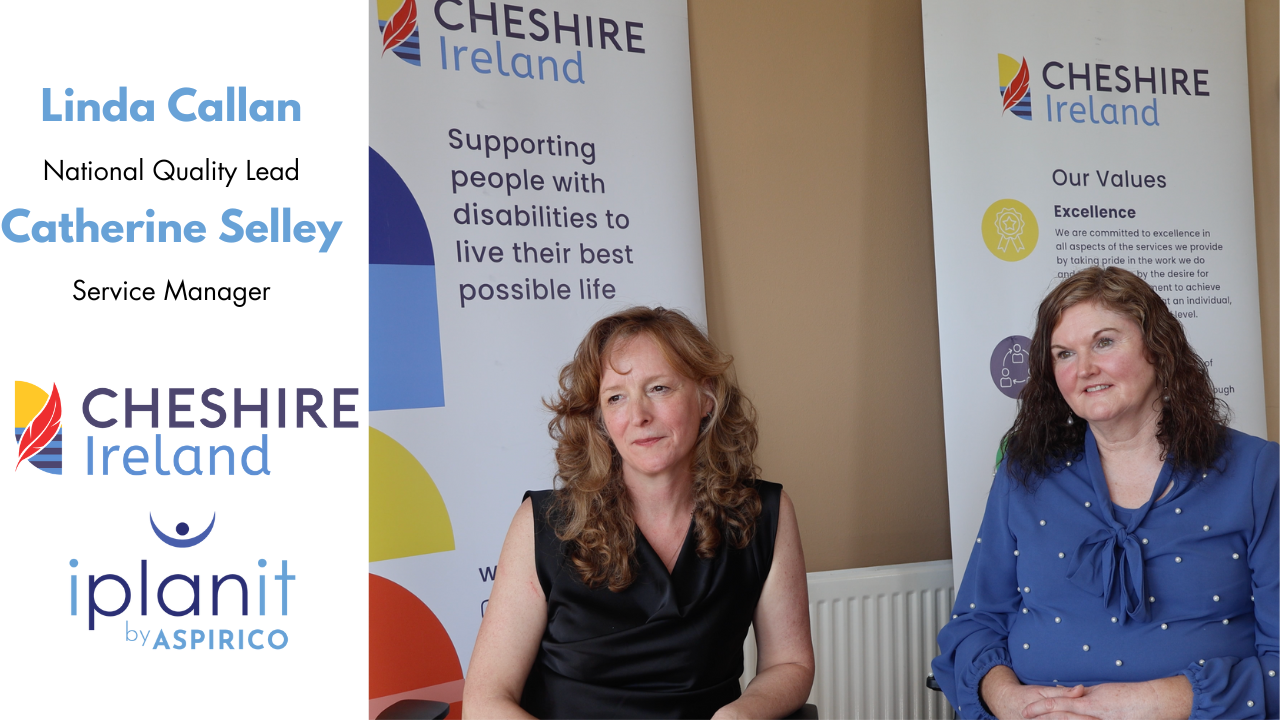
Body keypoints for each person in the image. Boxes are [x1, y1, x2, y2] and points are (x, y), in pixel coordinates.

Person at [932, 266, 1278, 720]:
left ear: (1159, 349)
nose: (1085, 369)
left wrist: (1140, 704)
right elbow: (976, 623)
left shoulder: (1257, 472)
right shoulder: (1025, 473)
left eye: (1105, 342)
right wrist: (1011, 702)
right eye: (1063, 354)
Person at [464, 307, 814, 719]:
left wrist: (740, 714)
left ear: (706, 398)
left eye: (659, 389)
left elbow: (790, 664)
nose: (638, 416)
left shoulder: (764, 514)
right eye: (616, 398)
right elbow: (485, 700)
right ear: (600, 419)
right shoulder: (543, 524)